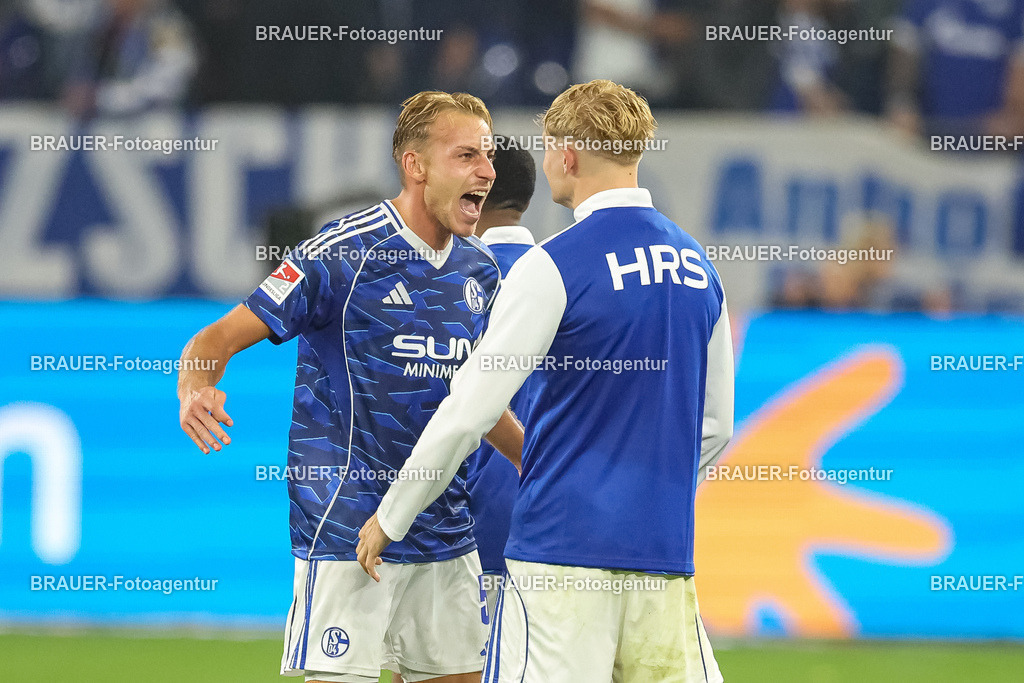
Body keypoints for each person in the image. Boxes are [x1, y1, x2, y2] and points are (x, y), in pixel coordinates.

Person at [357, 79, 735, 681]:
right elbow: (715, 425)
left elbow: (472, 407)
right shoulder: (700, 267)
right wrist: (646, 497)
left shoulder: (554, 265)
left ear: (568, 155)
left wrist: (392, 516)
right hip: (664, 555)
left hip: (559, 559)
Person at [178, 90, 524, 683]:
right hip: (345, 534)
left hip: (445, 536)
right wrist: (196, 390)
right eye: (467, 156)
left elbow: (477, 406)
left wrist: (543, 463)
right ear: (415, 165)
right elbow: (213, 342)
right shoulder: (342, 253)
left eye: (488, 157)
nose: (488, 173)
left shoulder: (480, 272)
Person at [465, 144, 540, 618]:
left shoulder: (448, 279)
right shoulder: (568, 277)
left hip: (450, 515)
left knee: (429, 666)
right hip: (545, 506)